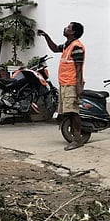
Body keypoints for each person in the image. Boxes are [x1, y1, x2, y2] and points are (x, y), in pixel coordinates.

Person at [37, 22, 86, 151]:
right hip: (64, 83)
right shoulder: (67, 45)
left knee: (73, 112)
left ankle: (77, 139)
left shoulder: (77, 47)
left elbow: (79, 69)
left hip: (71, 84)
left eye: (68, 27)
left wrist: (79, 86)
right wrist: (46, 36)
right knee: (68, 112)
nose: (65, 28)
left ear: (73, 32)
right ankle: (75, 137)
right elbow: (54, 48)